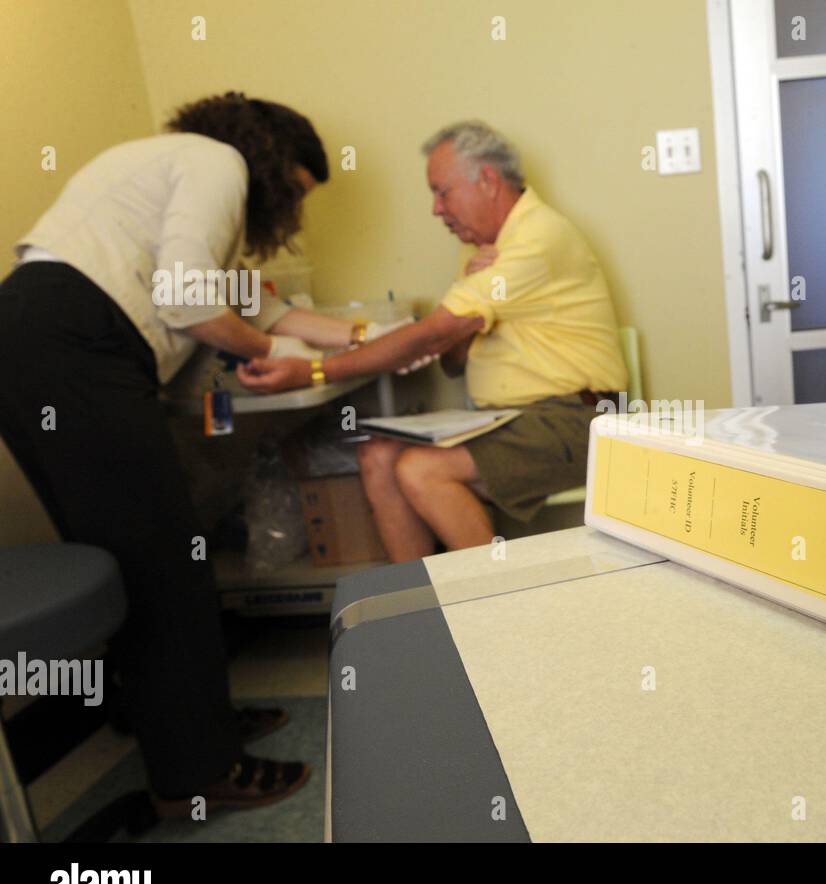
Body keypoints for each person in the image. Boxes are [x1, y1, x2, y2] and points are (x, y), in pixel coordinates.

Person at [0, 92, 372, 814]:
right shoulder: (217, 162)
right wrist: (274, 352)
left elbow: (255, 305)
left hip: (41, 341)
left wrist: (358, 338)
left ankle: (181, 724)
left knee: (139, 553)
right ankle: (197, 771)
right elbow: (189, 304)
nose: (293, 214)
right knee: (165, 560)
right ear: (272, 160)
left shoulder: (169, 169)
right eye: (296, 192)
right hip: (72, 347)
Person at [239, 121, 627, 559]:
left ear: (487, 180)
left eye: (442, 192)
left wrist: (314, 371)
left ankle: (502, 607)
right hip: (503, 421)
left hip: (579, 419)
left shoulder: (537, 238)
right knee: (378, 457)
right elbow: (451, 360)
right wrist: (459, 317)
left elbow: (432, 337)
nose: (436, 210)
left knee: (421, 470)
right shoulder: (479, 250)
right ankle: (425, 605)